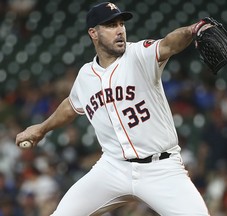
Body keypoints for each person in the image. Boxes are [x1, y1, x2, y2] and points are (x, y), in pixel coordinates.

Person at [16, 2, 211, 215]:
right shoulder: (86, 75)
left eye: (121, 24)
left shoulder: (138, 55)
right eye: (110, 25)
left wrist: (192, 29)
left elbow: (169, 45)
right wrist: (42, 129)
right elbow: (71, 106)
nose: (119, 30)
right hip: (113, 168)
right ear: (93, 33)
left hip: (161, 168)